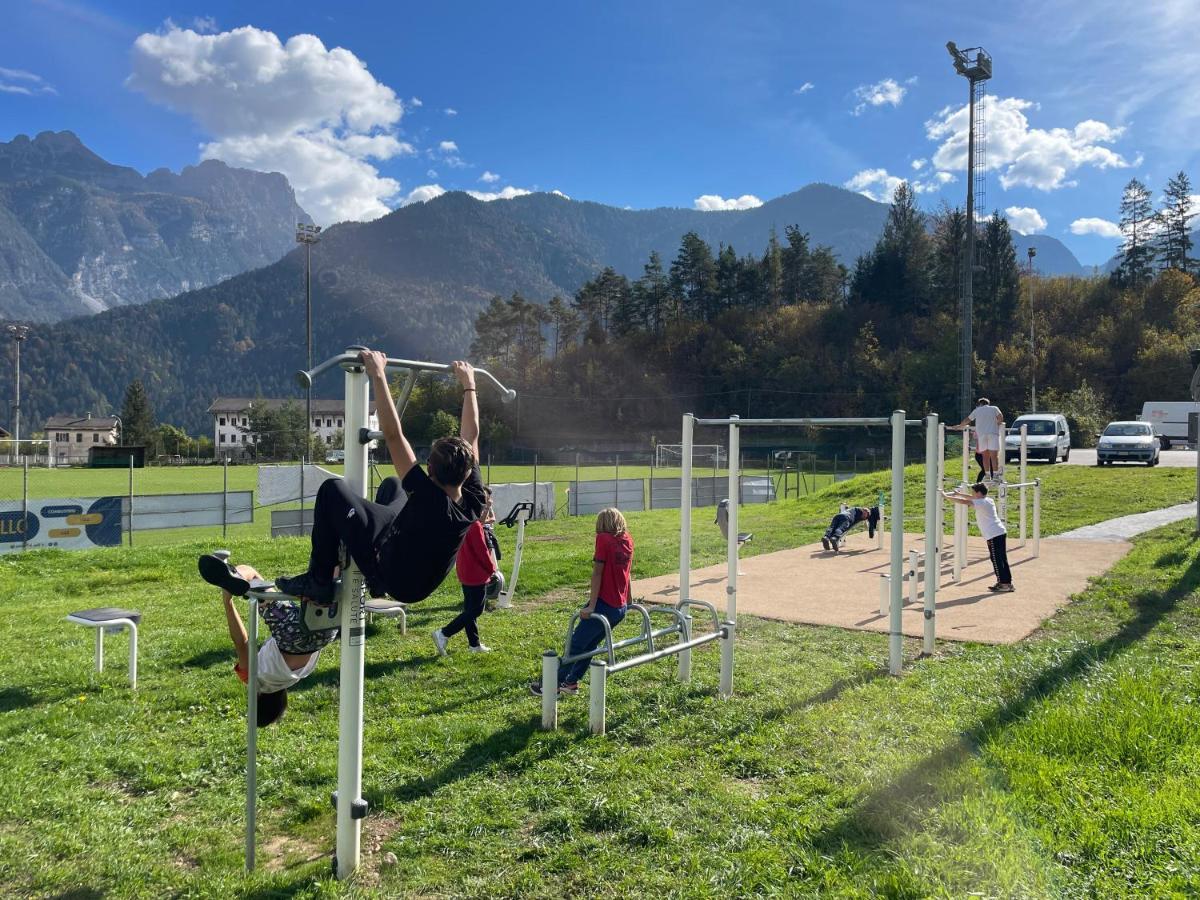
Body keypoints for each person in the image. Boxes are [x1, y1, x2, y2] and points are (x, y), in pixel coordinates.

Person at [272, 349, 487, 606]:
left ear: (429, 469)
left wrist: (377, 374)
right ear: (468, 469)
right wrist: (469, 385)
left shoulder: (430, 500)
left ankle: (320, 581)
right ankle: (361, 543)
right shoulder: (474, 498)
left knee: (332, 490)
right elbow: (471, 436)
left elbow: (393, 435)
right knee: (393, 485)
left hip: (394, 579)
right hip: (415, 570)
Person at [199, 558, 337, 727]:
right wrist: (228, 603)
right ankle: (235, 576)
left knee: (330, 579)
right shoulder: (253, 679)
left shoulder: (293, 678)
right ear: (255, 699)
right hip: (290, 634)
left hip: (324, 633)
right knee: (255, 579)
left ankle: (342, 554)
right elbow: (241, 642)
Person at [530, 508, 634, 697]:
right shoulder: (627, 539)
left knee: (576, 644)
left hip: (604, 603)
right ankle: (571, 682)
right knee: (590, 645)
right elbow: (627, 572)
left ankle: (553, 684)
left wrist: (591, 606)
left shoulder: (604, 539)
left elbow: (597, 573)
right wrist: (629, 600)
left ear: (602, 524)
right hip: (619, 606)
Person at [433, 489, 498, 655]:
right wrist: (491, 569)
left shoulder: (463, 520)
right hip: (476, 573)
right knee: (476, 610)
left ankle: (474, 645)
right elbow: (482, 552)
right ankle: (444, 633)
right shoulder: (475, 525)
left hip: (464, 570)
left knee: (469, 609)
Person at [943, 482, 1014, 592]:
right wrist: (959, 494)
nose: (972, 494)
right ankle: (1007, 583)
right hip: (999, 531)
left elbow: (964, 502)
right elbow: (970, 498)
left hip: (994, 534)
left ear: (979, 493)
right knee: (1002, 559)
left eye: (973, 492)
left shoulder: (981, 503)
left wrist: (946, 497)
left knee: (996, 559)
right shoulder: (988, 500)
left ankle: (1003, 584)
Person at [951, 398, 1005, 482]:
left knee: (985, 456)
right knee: (994, 456)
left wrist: (959, 426)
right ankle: (995, 476)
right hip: (993, 434)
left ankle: (987, 476)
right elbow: (1001, 418)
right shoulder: (994, 408)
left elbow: (967, 420)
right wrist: (996, 424)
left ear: (980, 404)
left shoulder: (977, 410)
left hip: (982, 435)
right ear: (988, 403)